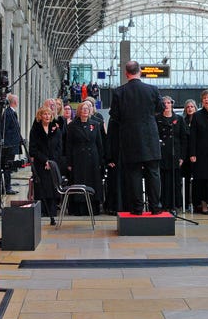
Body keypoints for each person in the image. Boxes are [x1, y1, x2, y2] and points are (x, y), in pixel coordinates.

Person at [107, 59, 164, 214]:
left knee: (134, 174)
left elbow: (115, 116)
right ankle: (156, 207)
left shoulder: (119, 92)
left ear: (126, 74)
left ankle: (137, 208)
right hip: (150, 138)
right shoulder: (152, 89)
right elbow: (161, 108)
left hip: (129, 139)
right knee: (153, 173)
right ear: (140, 71)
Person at [65, 100, 104, 213]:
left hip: (93, 158)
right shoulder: (72, 125)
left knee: (93, 182)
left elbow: (99, 144)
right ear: (79, 111)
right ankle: (78, 208)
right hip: (78, 158)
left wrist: (101, 160)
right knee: (79, 181)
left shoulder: (95, 124)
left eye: (87, 109)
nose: (85, 110)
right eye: (83, 108)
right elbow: (69, 145)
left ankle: (93, 207)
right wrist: (69, 162)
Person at [28, 105, 63, 225]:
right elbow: (33, 149)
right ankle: (41, 211)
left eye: (49, 114)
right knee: (41, 186)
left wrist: (51, 161)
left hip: (53, 163)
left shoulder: (56, 129)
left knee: (52, 187)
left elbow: (59, 148)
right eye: (45, 114)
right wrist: (45, 161)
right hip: (40, 163)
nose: (47, 116)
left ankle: (52, 211)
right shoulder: (35, 130)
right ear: (40, 116)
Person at [156, 97, 187, 214]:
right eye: (164, 103)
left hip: (175, 153)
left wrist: (182, 156)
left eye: (168, 103)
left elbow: (184, 139)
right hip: (161, 153)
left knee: (175, 180)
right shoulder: (157, 119)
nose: (166, 105)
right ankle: (163, 203)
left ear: (172, 105)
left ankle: (175, 204)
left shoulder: (179, 119)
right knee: (162, 180)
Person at [1, 94, 23, 195]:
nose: (18, 102)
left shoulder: (10, 112)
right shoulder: (9, 113)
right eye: (17, 100)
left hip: (11, 143)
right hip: (9, 145)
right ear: (14, 102)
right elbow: (4, 130)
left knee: (8, 166)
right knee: (7, 166)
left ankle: (7, 186)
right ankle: (7, 187)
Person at [180, 98, 197, 211]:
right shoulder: (182, 121)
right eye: (188, 107)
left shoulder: (199, 120)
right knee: (185, 180)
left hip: (197, 155)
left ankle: (196, 203)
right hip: (186, 155)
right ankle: (185, 203)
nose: (190, 108)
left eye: (192, 106)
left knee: (196, 180)